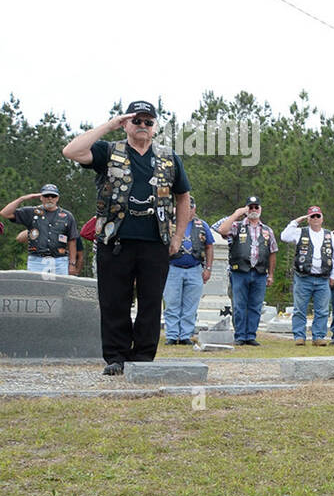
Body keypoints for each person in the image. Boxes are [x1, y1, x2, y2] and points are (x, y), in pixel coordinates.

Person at [61, 101, 191, 375]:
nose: (142, 126)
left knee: (151, 301)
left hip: (155, 242)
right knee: (114, 300)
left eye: (148, 122)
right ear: (126, 124)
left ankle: (143, 358)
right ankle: (116, 357)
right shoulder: (108, 151)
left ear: (154, 127)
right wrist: (109, 125)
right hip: (115, 240)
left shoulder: (169, 157)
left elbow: (183, 197)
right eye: (137, 121)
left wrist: (178, 236)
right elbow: (71, 151)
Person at [215, 196, 277, 346]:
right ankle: (240, 335)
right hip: (240, 272)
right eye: (251, 207)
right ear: (246, 209)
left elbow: (273, 252)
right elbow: (221, 230)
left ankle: (251, 335)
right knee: (239, 305)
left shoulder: (267, 230)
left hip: (260, 272)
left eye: (256, 207)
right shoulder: (237, 226)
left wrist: (271, 274)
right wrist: (237, 213)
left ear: (260, 209)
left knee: (255, 305)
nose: (254, 210)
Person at [281, 206, 334, 345]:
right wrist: (296, 221)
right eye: (312, 216)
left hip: (323, 278)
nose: (315, 219)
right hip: (303, 277)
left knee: (322, 310)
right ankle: (299, 336)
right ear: (308, 219)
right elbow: (284, 236)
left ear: (322, 218)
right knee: (299, 309)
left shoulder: (330, 235)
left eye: (318, 216)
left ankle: (318, 337)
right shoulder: (300, 232)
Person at [162, 196, 214, 344]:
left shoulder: (202, 225)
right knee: (172, 303)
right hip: (173, 268)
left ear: (194, 209)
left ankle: (185, 335)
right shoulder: (169, 224)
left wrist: (208, 268)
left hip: (195, 268)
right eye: (184, 208)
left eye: (190, 208)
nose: (187, 210)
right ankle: (172, 335)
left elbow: (209, 247)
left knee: (191, 305)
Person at [2, 184, 79, 275]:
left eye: (53, 196)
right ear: (41, 197)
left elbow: (72, 241)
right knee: (36, 288)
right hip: (37, 259)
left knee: (60, 288)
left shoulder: (67, 216)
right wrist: (22, 198)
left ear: (57, 198)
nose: (50, 198)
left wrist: (72, 264)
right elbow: (5, 213)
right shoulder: (32, 212)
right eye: (46, 196)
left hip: (60, 260)